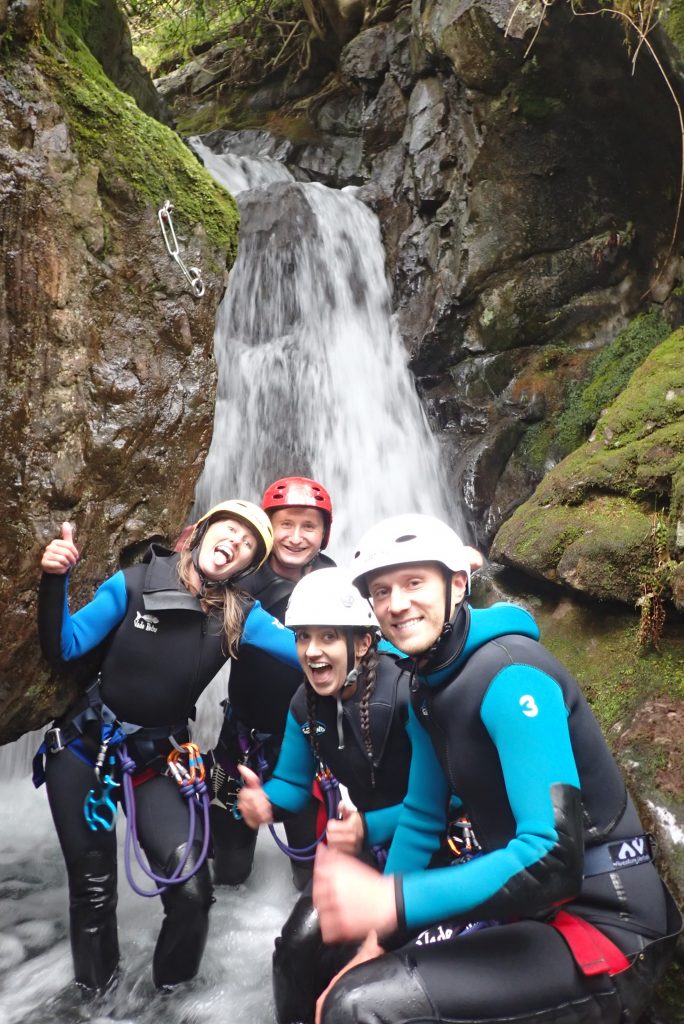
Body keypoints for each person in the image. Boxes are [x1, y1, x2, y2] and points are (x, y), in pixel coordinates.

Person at [312, 514, 682, 1024]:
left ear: (457, 585)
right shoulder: (428, 686)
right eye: (381, 591)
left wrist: (393, 900)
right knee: (344, 967)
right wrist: (379, 938)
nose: (396, 604)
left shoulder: (511, 674)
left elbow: (552, 858)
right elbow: (422, 817)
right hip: (536, 913)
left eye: (414, 583)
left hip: (607, 926)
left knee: (358, 1008)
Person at [35, 500, 302, 994]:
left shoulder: (241, 614)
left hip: (155, 762)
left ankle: (169, 999)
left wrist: (386, 646)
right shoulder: (134, 583)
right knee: (93, 894)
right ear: (198, 533)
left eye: (248, 546)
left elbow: (308, 650)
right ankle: (98, 1000)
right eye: (229, 531)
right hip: (84, 751)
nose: (235, 545)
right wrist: (57, 579)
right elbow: (66, 644)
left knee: (193, 891)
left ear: (247, 567)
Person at [236, 566, 413, 1024]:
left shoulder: (407, 692)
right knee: (295, 951)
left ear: (364, 642)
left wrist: (369, 827)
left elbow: (453, 794)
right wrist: (266, 804)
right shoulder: (304, 704)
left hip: (434, 848)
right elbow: (293, 784)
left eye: (329, 637)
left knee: (389, 973)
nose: (311, 652)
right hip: (365, 847)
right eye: (302, 637)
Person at [209, 476, 336, 890]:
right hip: (240, 741)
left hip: (306, 743)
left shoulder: (338, 585)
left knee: (309, 861)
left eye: (309, 527)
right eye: (285, 524)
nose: (296, 537)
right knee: (228, 864)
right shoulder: (239, 579)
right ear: (267, 528)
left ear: (324, 533)